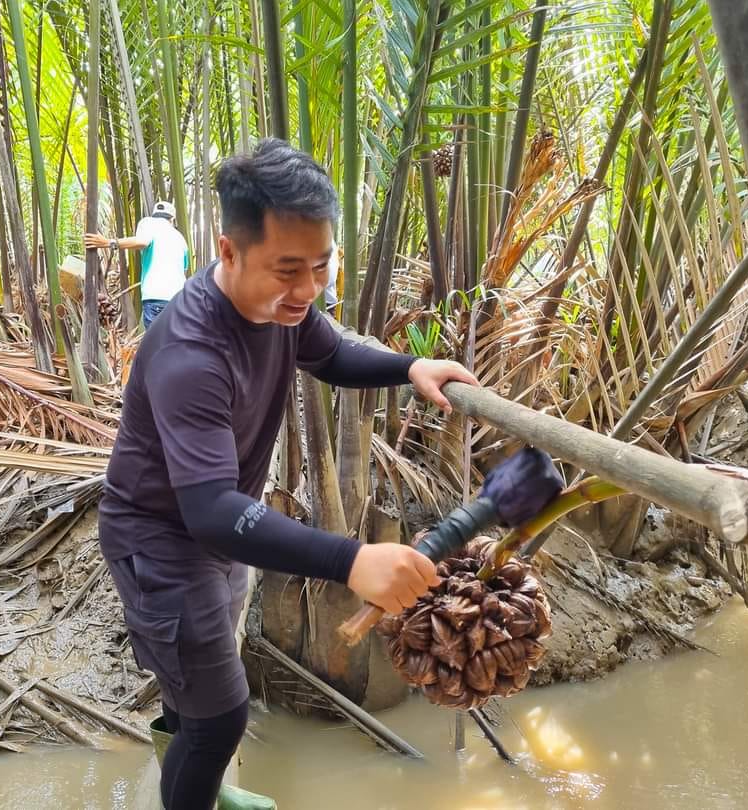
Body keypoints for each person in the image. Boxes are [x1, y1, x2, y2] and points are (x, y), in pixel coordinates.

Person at [98, 139, 479, 810]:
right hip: (162, 541)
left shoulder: (282, 308)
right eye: (287, 269)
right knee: (220, 718)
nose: (307, 289)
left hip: (222, 534)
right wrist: (353, 560)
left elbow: (333, 357)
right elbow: (212, 509)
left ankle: (202, 787)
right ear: (228, 252)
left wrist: (408, 368)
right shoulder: (192, 353)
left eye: (322, 265)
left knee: (196, 689)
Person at [85, 200, 189, 329]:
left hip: (156, 297)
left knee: (156, 346)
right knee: (175, 344)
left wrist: (108, 242)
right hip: (180, 300)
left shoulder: (148, 222)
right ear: (172, 219)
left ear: (154, 215)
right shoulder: (181, 238)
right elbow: (183, 270)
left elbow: (143, 241)